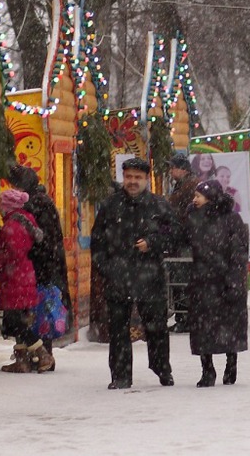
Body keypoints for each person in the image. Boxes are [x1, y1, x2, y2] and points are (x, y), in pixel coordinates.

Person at [91, 157, 180, 389]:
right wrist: (107, 269)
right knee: (118, 329)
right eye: (129, 177)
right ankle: (120, 375)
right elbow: (97, 241)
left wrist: (153, 243)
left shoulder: (158, 206)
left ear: (146, 180)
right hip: (118, 277)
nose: (132, 182)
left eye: (137, 178)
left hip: (150, 277)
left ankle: (162, 368)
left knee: (156, 327)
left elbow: (176, 236)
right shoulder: (111, 206)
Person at [181, 180, 249, 387]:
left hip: (226, 280)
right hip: (202, 281)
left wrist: (234, 280)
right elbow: (182, 240)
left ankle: (231, 364)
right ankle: (207, 370)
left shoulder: (232, 219)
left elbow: (238, 252)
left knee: (229, 326)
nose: (194, 199)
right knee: (202, 328)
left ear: (210, 198)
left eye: (198, 196)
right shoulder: (194, 218)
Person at [7, 164, 72, 372]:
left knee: (34, 312)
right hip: (49, 265)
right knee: (42, 311)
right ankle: (42, 357)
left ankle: (37, 357)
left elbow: (34, 241)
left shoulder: (32, 205)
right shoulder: (44, 200)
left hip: (37, 267)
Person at [0, 189, 42, 373]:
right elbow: (13, 249)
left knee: (14, 321)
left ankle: (41, 352)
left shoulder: (12, 226)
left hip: (15, 278)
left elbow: (12, 253)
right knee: (20, 319)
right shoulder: (24, 220)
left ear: (7, 207)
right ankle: (22, 361)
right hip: (24, 275)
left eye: (1, 206)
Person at [165, 153, 199, 334]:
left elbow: (181, 210)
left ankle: (185, 317)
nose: (171, 171)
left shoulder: (189, 185)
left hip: (184, 239)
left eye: (173, 167)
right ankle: (183, 316)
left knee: (181, 279)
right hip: (181, 238)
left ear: (182, 169)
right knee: (180, 278)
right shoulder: (185, 184)